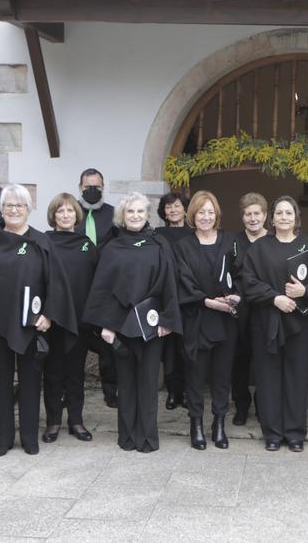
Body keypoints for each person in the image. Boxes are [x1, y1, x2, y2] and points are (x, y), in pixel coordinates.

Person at [0, 185, 77, 456]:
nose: (14, 210)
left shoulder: (41, 242)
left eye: (20, 205)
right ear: (1, 210)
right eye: (9, 205)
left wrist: (48, 315)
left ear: (28, 209)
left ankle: (29, 437)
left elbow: (57, 283)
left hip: (31, 325)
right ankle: (3, 438)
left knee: (30, 381)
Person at [83, 193, 182, 453]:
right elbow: (102, 287)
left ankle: (147, 437)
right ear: (122, 216)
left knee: (149, 383)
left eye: (140, 211)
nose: (136, 216)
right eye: (130, 212)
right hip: (121, 326)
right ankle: (126, 436)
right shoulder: (113, 247)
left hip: (152, 325)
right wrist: (106, 325)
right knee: (125, 383)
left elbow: (169, 283)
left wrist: (167, 319)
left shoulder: (159, 244)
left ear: (147, 214)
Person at [240, 196, 308, 452]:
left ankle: (294, 433)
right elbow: (248, 282)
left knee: (296, 378)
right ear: (272, 218)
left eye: (288, 213)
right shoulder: (259, 248)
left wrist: (306, 290)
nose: (283, 217)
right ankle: (272, 433)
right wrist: (275, 298)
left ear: (296, 217)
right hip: (267, 323)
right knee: (268, 379)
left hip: (299, 324)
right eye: (279, 213)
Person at [173, 190, 240, 450]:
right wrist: (208, 301)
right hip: (198, 317)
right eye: (201, 212)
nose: (206, 217)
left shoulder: (230, 241)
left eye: (210, 212)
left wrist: (236, 297)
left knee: (223, 375)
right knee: (195, 375)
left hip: (226, 320)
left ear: (217, 215)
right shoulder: (183, 246)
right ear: (193, 215)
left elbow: (242, 272)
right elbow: (183, 280)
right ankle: (197, 424)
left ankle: (219, 423)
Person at [42, 193, 100, 444]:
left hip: (79, 320)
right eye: (60, 211)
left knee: (75, 373)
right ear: (53, 216)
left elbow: (97, 281)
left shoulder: (86, 244)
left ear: (77, 215)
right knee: (53, 372)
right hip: (53, 320)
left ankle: (76, 420)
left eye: (69, 211)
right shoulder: (43, 242)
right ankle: (53, 421)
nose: (65, 215)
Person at [78, 168, 119, 409]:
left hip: (106, 287)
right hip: (79, 287)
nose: (92, 190)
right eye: (87, 186)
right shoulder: (70, 212)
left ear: (103, 187)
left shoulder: (113, 214)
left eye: (97, 186)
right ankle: (69, 389)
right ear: (80, 187)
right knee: (76, 342)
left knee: (107, 345)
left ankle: (111, 391)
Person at [230, 192, 268, 426]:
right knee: (239, 361)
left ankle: (264, 405)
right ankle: (241, 406)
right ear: (242, 217)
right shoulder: (232, 242)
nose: (252, 218)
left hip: (265, 309)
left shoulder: (274, 241)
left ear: (265, 216)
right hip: (239, 311)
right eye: (248, 214)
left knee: (265, 362)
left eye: (257, 214)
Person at [155, 191, 192, 411]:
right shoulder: (157, 234)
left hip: (188, 297)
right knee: (168, 349)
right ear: (164, 212)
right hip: (166, 298)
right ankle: (172, 392)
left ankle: (186, 391)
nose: (173, 210)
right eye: (169, 207)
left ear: (185, 208)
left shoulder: (194, 233)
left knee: (185, 347)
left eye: (177, 206)